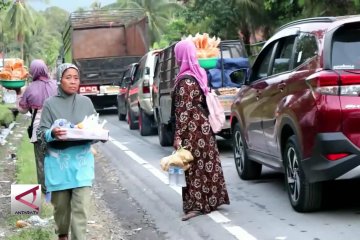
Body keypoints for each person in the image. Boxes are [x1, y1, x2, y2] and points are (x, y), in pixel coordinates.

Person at [172, 39, 230, 221]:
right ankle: (212, 200)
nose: (176, 59)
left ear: (181, 56)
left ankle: (196, 206)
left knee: (193, 166)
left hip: (192, 129)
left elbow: (183, 111)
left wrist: (178, 136)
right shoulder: (199, 74)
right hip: (204, 127)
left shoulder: (184, 82)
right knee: (207, 163)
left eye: (176, 55)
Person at [37, 63, 97, 240]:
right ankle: (62, 236)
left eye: (76, 78)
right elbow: (41, 133)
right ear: (59, 80)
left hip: (82, 165)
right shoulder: (50, 104)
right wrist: (52, 133)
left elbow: (94, 127)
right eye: (68, 77)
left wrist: (94, 134)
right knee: (61, 213)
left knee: (81, 212)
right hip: (59, 167)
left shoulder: (86, 103)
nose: (73, 82)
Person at [17, 59, 57, 194]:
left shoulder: (30, 88)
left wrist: (18, 93)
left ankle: (46, 192)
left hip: (39, 130)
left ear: (33, 71)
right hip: (56, 129)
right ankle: (59, 190)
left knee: (41, 163)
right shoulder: (55, 85)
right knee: (57, 160)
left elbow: (22, 110)